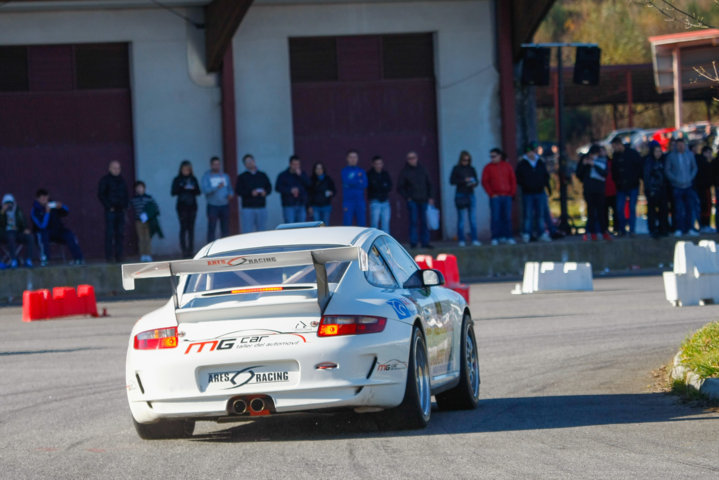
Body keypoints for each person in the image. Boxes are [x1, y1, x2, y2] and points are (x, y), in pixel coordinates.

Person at [31, 189, 83, 265]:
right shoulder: (35, 210)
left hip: (57, 230)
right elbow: (42, 226)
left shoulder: (53, 205)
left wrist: (61, 206)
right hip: (43, 232)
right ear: (37, 199)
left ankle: (78, 259)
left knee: (69, 235)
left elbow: (66, 211)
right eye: (42, 198)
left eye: (46, 197)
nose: (44, 200)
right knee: (42, 235)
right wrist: (47, 213)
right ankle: (45, 260)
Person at [515, 142, 551, 243]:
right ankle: (527, 233)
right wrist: (526, 185)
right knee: (528, 214)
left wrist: (547, 187)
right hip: (528, 193)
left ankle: (541, 233)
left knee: (540, 214)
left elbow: (545, 176)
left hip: (540, 191)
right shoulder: (522, 164)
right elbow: (518, 178)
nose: (531, 153)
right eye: (529, 151)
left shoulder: (540, 162)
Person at [397, 151, 433, 249]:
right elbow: (400, 187)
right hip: (412, 200)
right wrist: (407, 197)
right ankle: (414, 242)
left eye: (413, 158)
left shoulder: (423, 169)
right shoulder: (405, 172)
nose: (412, 160)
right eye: (410, 158)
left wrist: (430, 197)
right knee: (413, 221)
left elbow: (429, 184)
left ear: (417, 158)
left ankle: (425, 242)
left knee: (424, 222)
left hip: (424, 200)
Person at [481, 148, 516, 246]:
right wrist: (491, 194)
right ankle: (495, 237)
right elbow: (485, 182)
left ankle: (508, 236)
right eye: (491, 156)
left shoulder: (507, 166)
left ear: (499, 156)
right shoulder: (488, 168)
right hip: (495, 197)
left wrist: (511, 193)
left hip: (506, 196)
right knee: (496, 217)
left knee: (507, 217)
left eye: (494, 156)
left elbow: (512, 180)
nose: (492, 158)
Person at [665, 138, 699, 236]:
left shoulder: (690, 155)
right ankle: (679, 228)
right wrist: (675, 179)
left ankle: (690, 228)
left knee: (690, 208)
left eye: (682, 145)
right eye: (678, 145)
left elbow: (694, 168)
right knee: (678, 209)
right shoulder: (671, 156)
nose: (680, 147)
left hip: (688, 185)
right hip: (677, 186)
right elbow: (668, 170)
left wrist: (690, 178)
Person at [577, 145, 611, 241]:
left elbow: (604, 173)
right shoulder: (585, 160)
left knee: (601, 211)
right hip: (589, 190)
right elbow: (579, 174)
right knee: (591, 212)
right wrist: (584, 165)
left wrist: (594, 165)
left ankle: (604, 231)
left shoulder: (602, 161)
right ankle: (591, 233)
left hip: (599, 190)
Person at [97, 160, 129, 263]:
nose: (116, 170)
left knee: (120, 234)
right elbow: (101, 194)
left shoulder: (122, 180)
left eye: (118, 168)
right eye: (114, 168)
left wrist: (125, 206)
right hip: (110, 211)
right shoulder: (105, 180)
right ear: (110, 168)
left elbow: (126, 194)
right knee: (110, 234)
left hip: (120, 211)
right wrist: (109, 206)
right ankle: (109, 256)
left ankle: (119, 256)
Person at [610, 138, 643, 236]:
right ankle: (622, 229)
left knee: (632, 208)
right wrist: (617, 182)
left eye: (614, 147)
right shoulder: (615, 156)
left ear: (619, 145)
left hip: (633, 185)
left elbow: (639, 167)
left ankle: (632, 229)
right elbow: (614, 171)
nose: (614, 149)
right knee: (620, 208)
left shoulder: (632, 154)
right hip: (621, 186)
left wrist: (636, 178)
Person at [451, 150, 482, 247]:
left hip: (470, 194)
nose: (466, 162)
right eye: (464, 160)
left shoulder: (471, 169)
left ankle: (474, 239)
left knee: (472, 219)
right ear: (461, 160)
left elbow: (476, 181)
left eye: (468, 160)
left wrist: (473, 182)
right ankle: (461, 240)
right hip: (460, 194)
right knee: (461, 219)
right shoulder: (456, 169)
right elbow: (452, 181)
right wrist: (464, 180)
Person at [235, 154, 272, 233]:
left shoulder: (262, 175)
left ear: (254, 161)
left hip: (261, 207)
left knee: (262, 231)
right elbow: (238, 190)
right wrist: (250, 193)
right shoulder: (242, 177)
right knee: (247, 231)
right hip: (248, 208)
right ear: (245, 164)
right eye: (247, 162)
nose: (250, 163)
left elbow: (269, 187)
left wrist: (265, 192)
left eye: (251, 161)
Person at [171, 160, 201, 258]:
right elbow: (173, 192)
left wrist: (193, 188)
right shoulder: (177, 179)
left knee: (191, 229)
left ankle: (191, 250)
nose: (186, 171)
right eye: (184, 169)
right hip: (182, 207)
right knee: (183, 228)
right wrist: (182, 187)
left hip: (192, 206)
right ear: (181, 169)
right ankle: (184, 251)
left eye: (188, 169)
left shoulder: (193, 179)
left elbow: (198, 192)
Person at [201, 156, 233, 242]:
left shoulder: (225, 176)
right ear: (211, 165)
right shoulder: (206, 176)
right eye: (215, 164)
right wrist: (216, 187)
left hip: (224, 205)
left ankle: (225, 246)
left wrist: (230, 194)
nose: (217, 166)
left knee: (225, 228)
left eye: (218, 164)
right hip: (213, 206)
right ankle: (211, 246)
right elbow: (205, 190)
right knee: (212, 227)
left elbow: (230, 189)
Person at [131, 181, 163, 262]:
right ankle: (143, 255)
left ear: (144, 188)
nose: (139, 189)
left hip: (148, 221)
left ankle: (148, 254)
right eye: (138, 188)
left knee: (148, 238)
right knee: (141, 238)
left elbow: (155, 208)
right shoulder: (134, 199)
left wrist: (149, 214)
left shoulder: (149, 198)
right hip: (138, 221)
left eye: (141, 187)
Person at [0, 194, 34, 268]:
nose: (9, 205)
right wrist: (2, 212)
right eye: (7, 203)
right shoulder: (1, 211)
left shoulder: (18, 210)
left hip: (17, 232)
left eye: (10, 203)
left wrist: (25, 229)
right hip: (4, 233)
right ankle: (13, 260)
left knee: (30, 237)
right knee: (11, 236)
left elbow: (23, 221)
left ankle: (28, 260)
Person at [643, 141, 669, 238]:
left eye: (659, 151)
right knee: (652, 211)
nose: (658, 153)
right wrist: (649, 190)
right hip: (653, 190)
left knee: (663, 210)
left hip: (662, 189)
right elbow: (647, 177)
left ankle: (663, 228)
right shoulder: (649, 162)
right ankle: (653, 229)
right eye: (656, 151)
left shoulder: (663, 161)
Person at [276, 155, 309, 223]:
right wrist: (290, 190)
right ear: (290, 164)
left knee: (302, 226)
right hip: (289, 205)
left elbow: (309, 185)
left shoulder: (303, 174)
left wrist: (301, 176)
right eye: (294, 164)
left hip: (301, 204)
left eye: (298, 164)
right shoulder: (283, 175)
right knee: (290, 226)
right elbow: (278, 188)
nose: (296, 166)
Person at [367, 155, 392, 234]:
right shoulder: (370, 174)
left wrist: (382, 187)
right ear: (373, 164)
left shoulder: (385, 174)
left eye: (380, 163)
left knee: (386, 224)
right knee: (374, 225)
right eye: (376, 164)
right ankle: (374, 241)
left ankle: (385, 242)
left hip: (385, 202)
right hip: (375, 201)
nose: (378, 165)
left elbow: (390, 186)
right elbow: (370, 187)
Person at [341, 150, 367, 226]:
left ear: (357, 159)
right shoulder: (344, 171)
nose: (353, 159)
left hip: (360, 201)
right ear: (347, 159)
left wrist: (353, 181)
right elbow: (347, 181)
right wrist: (358, 180)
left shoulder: (361, 171)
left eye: (355, 157)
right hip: (348, 202)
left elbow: (364, 184)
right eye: (351, 157)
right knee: (347, 224)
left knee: (362, 224)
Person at [695, 145, 714, 233]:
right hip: (703, 188)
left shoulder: (706, 162)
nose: (710, 155)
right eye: (708, 153)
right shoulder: (703, 162)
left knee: (707, 207)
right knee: (705, 207)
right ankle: (704, 225)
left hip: (705, 188)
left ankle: (706, 225)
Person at [603, 147, 618, 235]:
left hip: (613, 190)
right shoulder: (599, 163)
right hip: (604, 192)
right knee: (605, 212)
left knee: (616, 211)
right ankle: (606, 229)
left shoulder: (612, 162)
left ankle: (616, 228)